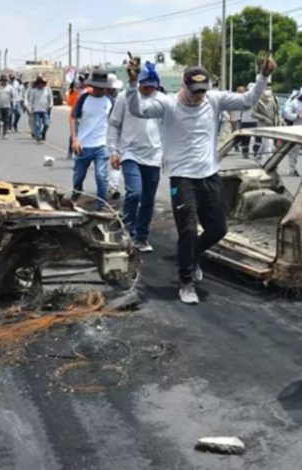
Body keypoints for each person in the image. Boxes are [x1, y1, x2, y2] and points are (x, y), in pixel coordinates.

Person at [126, 56, 276, 304]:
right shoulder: (168, 104)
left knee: (219, 228)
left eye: (202, 92)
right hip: (182, 178)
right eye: (194, 92)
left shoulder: (215, 100)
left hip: (209, 175)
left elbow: (248, 100)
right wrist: (132, 85)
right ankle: (186, 282)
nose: (198, 97)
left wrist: (263, 76)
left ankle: (191, 255)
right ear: (184, 86)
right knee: (187, 230)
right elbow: (138, 110)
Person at [107, 62, 163, 253]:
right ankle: (125, 227)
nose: (148, 89)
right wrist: (113, 150)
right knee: (135, 193)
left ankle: (141, 236)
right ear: (139, 83)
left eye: (152, 86)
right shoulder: (125, 97)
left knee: (148, 199)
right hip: (129, 152)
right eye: (145, 85)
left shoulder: (162, 100)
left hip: (154, 155)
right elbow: (114, 124)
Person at [70, 69, 114, 208]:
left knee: (101, 176)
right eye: (97, 87)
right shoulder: (84, 98)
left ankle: (101, 203)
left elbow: (114, 124)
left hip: (102, 145)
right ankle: (77, 190)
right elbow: (73, 118)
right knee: (78, 175)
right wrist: (75, 139)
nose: (100, 90)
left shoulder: (110, 102)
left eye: (102, 87)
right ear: (92, 86)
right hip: (83, 145)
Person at [251, 79, 281, 163]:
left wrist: (279, 121)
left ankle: (258, 157)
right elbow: (253, 114)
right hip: (263, 126)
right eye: (266, 87)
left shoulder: (275, 99)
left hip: (273, 125)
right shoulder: (257, 100)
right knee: (269, 145)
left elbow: (277, 112)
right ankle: (268, 162)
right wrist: (263, 118)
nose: (268, 89)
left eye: (269, 87)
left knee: (265, 144)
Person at [27, 76, 53, 143]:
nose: (40, 84)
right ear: (37, 83)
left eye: (42, 83)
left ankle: (43, 133)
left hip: (45, 110)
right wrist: (30, 109)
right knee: (37, 124)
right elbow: (30, 101)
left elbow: (50, 98)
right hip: (36, 110)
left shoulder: (47, 89)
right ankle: (38, 137)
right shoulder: (33, 91)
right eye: (39, 83)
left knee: (46, 124)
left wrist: (50, 105)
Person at [239, 83, 260, 159]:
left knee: (246, 139)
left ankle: (247, 153)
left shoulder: (244, 97)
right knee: (256, 138)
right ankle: (255, 152)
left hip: (247, 120)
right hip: (253, 120)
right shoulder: (258, 97)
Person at [0, 75, 15, 139]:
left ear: (7, 81)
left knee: (6, 120)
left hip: (7, 107)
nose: (4, 82)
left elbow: (13, 97)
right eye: (2, 81)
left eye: (5, 81)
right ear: (0, 81)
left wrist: (13, 105)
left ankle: (4, 134)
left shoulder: (10, 88)